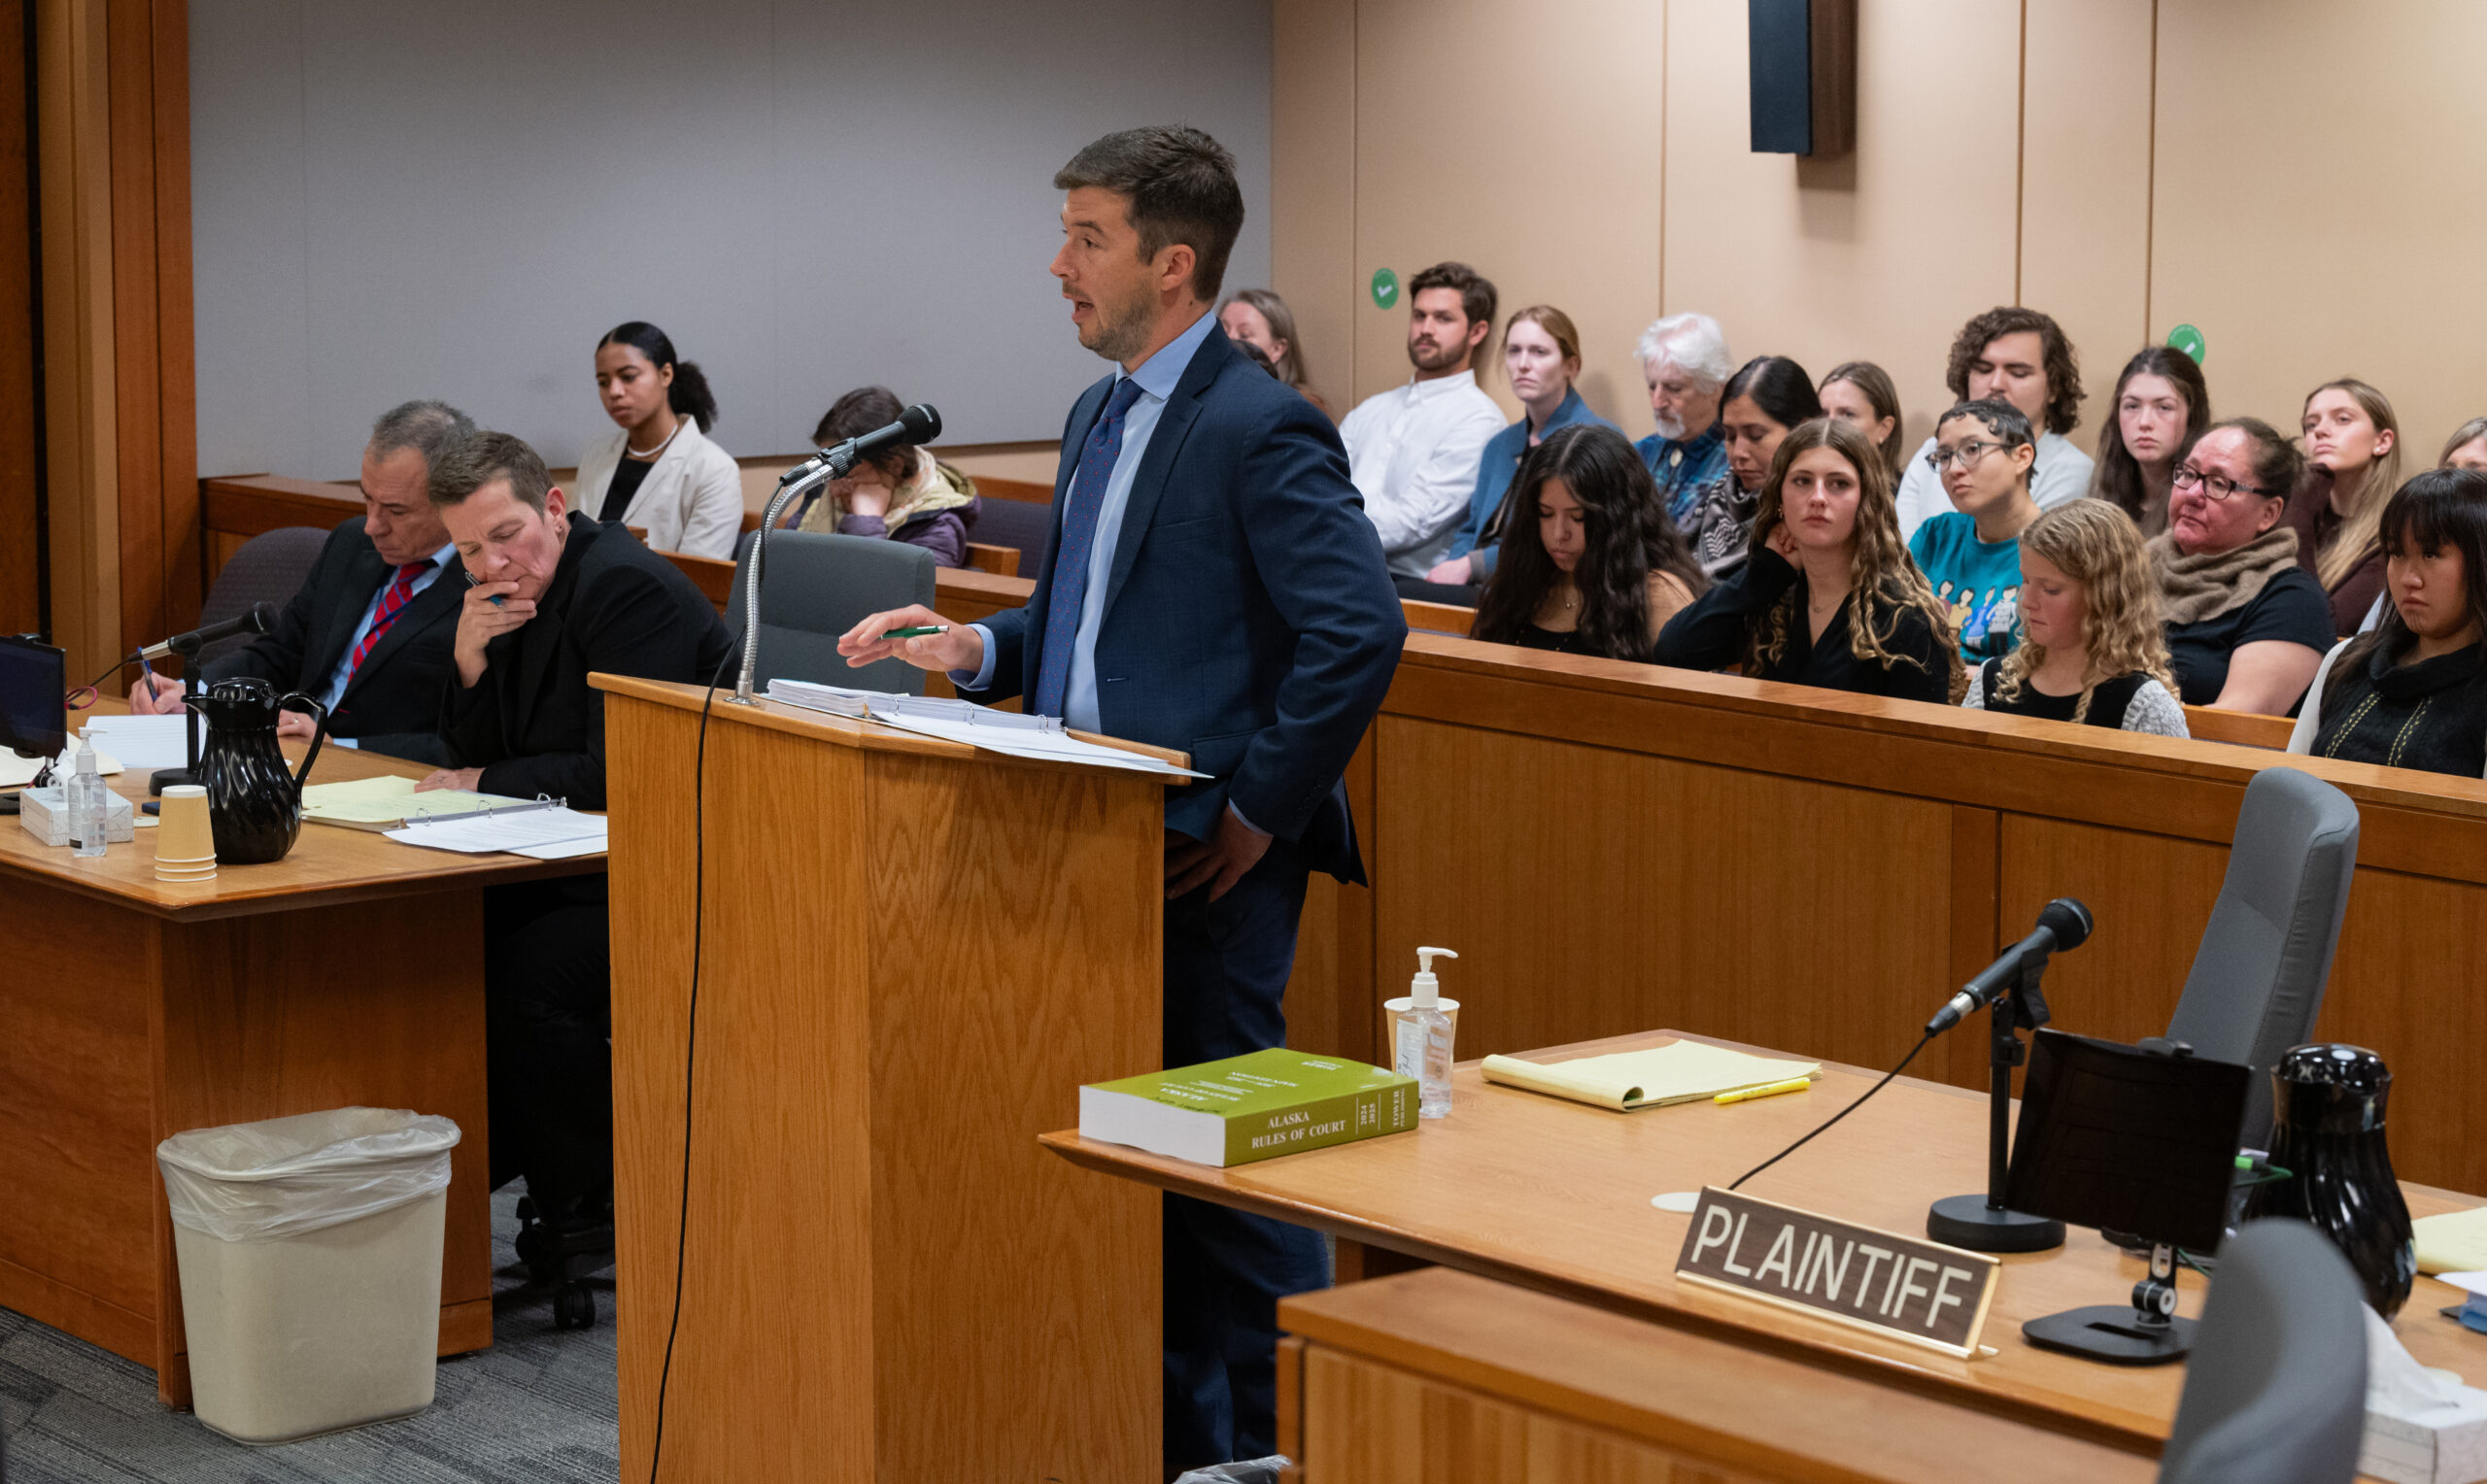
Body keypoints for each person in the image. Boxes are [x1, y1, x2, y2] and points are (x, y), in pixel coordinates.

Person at [831, 125, 1403, 1473]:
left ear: (1174, 261)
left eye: (1088, 240)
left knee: (1225, 1182)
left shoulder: (1263, 424)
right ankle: (1172, 1443)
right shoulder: (1097, 414)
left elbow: (1359, 632)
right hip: (1081, 839)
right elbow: (1079, 623)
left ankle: (1297, 1451)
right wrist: (978, 650)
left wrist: (1258, 811)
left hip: (1205, 855)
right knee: (1126, 1174)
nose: (1059, 266)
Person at [418, 429, 732, 1252]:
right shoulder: (505, 597)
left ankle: (603, 1199)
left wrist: (482, 782)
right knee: (437, 945)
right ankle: (482, 1172)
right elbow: (470, 750)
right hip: (577, 861)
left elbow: (620, 771)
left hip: (686, 867)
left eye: (506, 534)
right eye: (467, 550)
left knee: (529, 975)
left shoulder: (621, 589)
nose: (493, 564)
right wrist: (470, 658)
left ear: (555, 509)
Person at [131, 400, 475, 760]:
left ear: (452, 501)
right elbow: (282, 652)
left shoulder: (486, 587)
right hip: (284, 757)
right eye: (368, 499)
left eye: (396, 510)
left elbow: (473, 740)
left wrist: (338, 747)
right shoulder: (351, 542)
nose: (373, 524)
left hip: (383, 775)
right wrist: (192, 691)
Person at [1653, 417, 1959, 703]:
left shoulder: (1905, 617)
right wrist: (1764, 573)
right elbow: (1674, 650)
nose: (1818, 497)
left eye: (1839, 483)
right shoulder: (1773, 598)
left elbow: (1918, 752)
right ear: (1780, 498)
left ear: (1866, 501)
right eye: (1802, 481)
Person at [2289, 470, 2487, 776]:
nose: (2409, 578)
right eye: (2397, 553)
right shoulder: (2346, 660)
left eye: (2431, 554)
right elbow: (2291, 782)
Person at [1470, 424, 1705, 659]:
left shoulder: (1658, 595)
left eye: (1577, 517)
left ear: (1616, 519)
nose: (1559, 534)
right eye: (1546, 514)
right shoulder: (1527, 580)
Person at [1424, 305, 1614, 590]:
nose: (1523, 364)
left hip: (1550, 590)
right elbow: (1471, 528)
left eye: (1539, 352)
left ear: (1571, 366)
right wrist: (1453, 570)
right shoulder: (1499, 445)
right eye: (1514, 351)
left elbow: (1579, 541)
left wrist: (1471, 566)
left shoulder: (1598, 442)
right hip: (1479, 588)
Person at [2151, 419, 2334, 712]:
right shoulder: (2131, 567)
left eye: (2218, 483)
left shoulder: (2292, 600)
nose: (2193, 494)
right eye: (2187, 474)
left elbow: (2234, 724)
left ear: (2269, 513)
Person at [1335, 261, 1505, 578]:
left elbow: (1414, 520)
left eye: (1443, 318)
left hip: (1407, 586)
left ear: (1477, 331)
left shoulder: (1479, 419)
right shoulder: (1371, 409)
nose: (1426, 328)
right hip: (1335, 565)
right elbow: (1325, 486)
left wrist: (1327, 539)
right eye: (1419, 315)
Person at [1962, 499, 2188, 736]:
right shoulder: (1994, 681)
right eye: (2026, 581)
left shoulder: (2143, 705)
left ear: (2103, 597)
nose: (2027, 602)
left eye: (2050, 589)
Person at [1893, 307, 2094, 540]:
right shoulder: (1932, 451)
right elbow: (1902, 556)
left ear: (2053, 388)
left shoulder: (2072, 469)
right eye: (1983, 370)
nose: (1996, 384)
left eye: (2018, 373)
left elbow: (2033, 559)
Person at [569, 320, 743, 559]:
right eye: (603, 382)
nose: (614, 392)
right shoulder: (596, 455)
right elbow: (569, 545)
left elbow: (700, 578)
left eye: (628, 377)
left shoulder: (714, 469)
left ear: (665, 375)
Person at [1909, 399, 2042, 663]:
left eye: (1972, 449)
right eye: (1944, 456)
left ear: (2021, 457)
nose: (1955, 469)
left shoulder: (2056, 548)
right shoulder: (1935, 536)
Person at [792, 386, 982, 566]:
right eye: (830, 470)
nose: (834, 487)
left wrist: (866, 521)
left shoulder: (937, 527)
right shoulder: (827, 485)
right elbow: (784, 564)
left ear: (895, 466)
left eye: (848, 476)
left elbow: (885, 592)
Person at [1677, 355, 1821, 577]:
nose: (1738, 453)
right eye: (1730, 436)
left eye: (1755, 436)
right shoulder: (1719, 497)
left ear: (1802, 429)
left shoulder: (1819, 512)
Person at [2287, 378, 2403, 635]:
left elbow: (2324, 629)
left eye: (2343, 419)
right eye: (2311, 424)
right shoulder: (2296, 510)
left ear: (2382, 441)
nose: (2320, 431)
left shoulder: (2396, 534)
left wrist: (2298, 511)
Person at [2091, 346, 2210, 538]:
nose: (2144, 422)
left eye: (2164, 407)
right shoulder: (2102, 492)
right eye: (2132, 406)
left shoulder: (2206, 501)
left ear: (2192, 416)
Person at [1631, 311, 1735, 531]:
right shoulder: (1637, 455)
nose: (1657, 403)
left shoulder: (1736, 464)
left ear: (1716, 389)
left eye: (1674, 388)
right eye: (1652, 386)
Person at [1217, 287, 1328, 415]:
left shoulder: (1298, 408)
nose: (1230, 340)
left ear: (1277, 349)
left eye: (1244, 335)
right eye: (1223, 331)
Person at [1819, 360, 1904, 482]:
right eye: (1823, 414)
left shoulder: (1906, 497)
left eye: (1847, 414)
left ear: (1884, 428)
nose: (1828, 425)